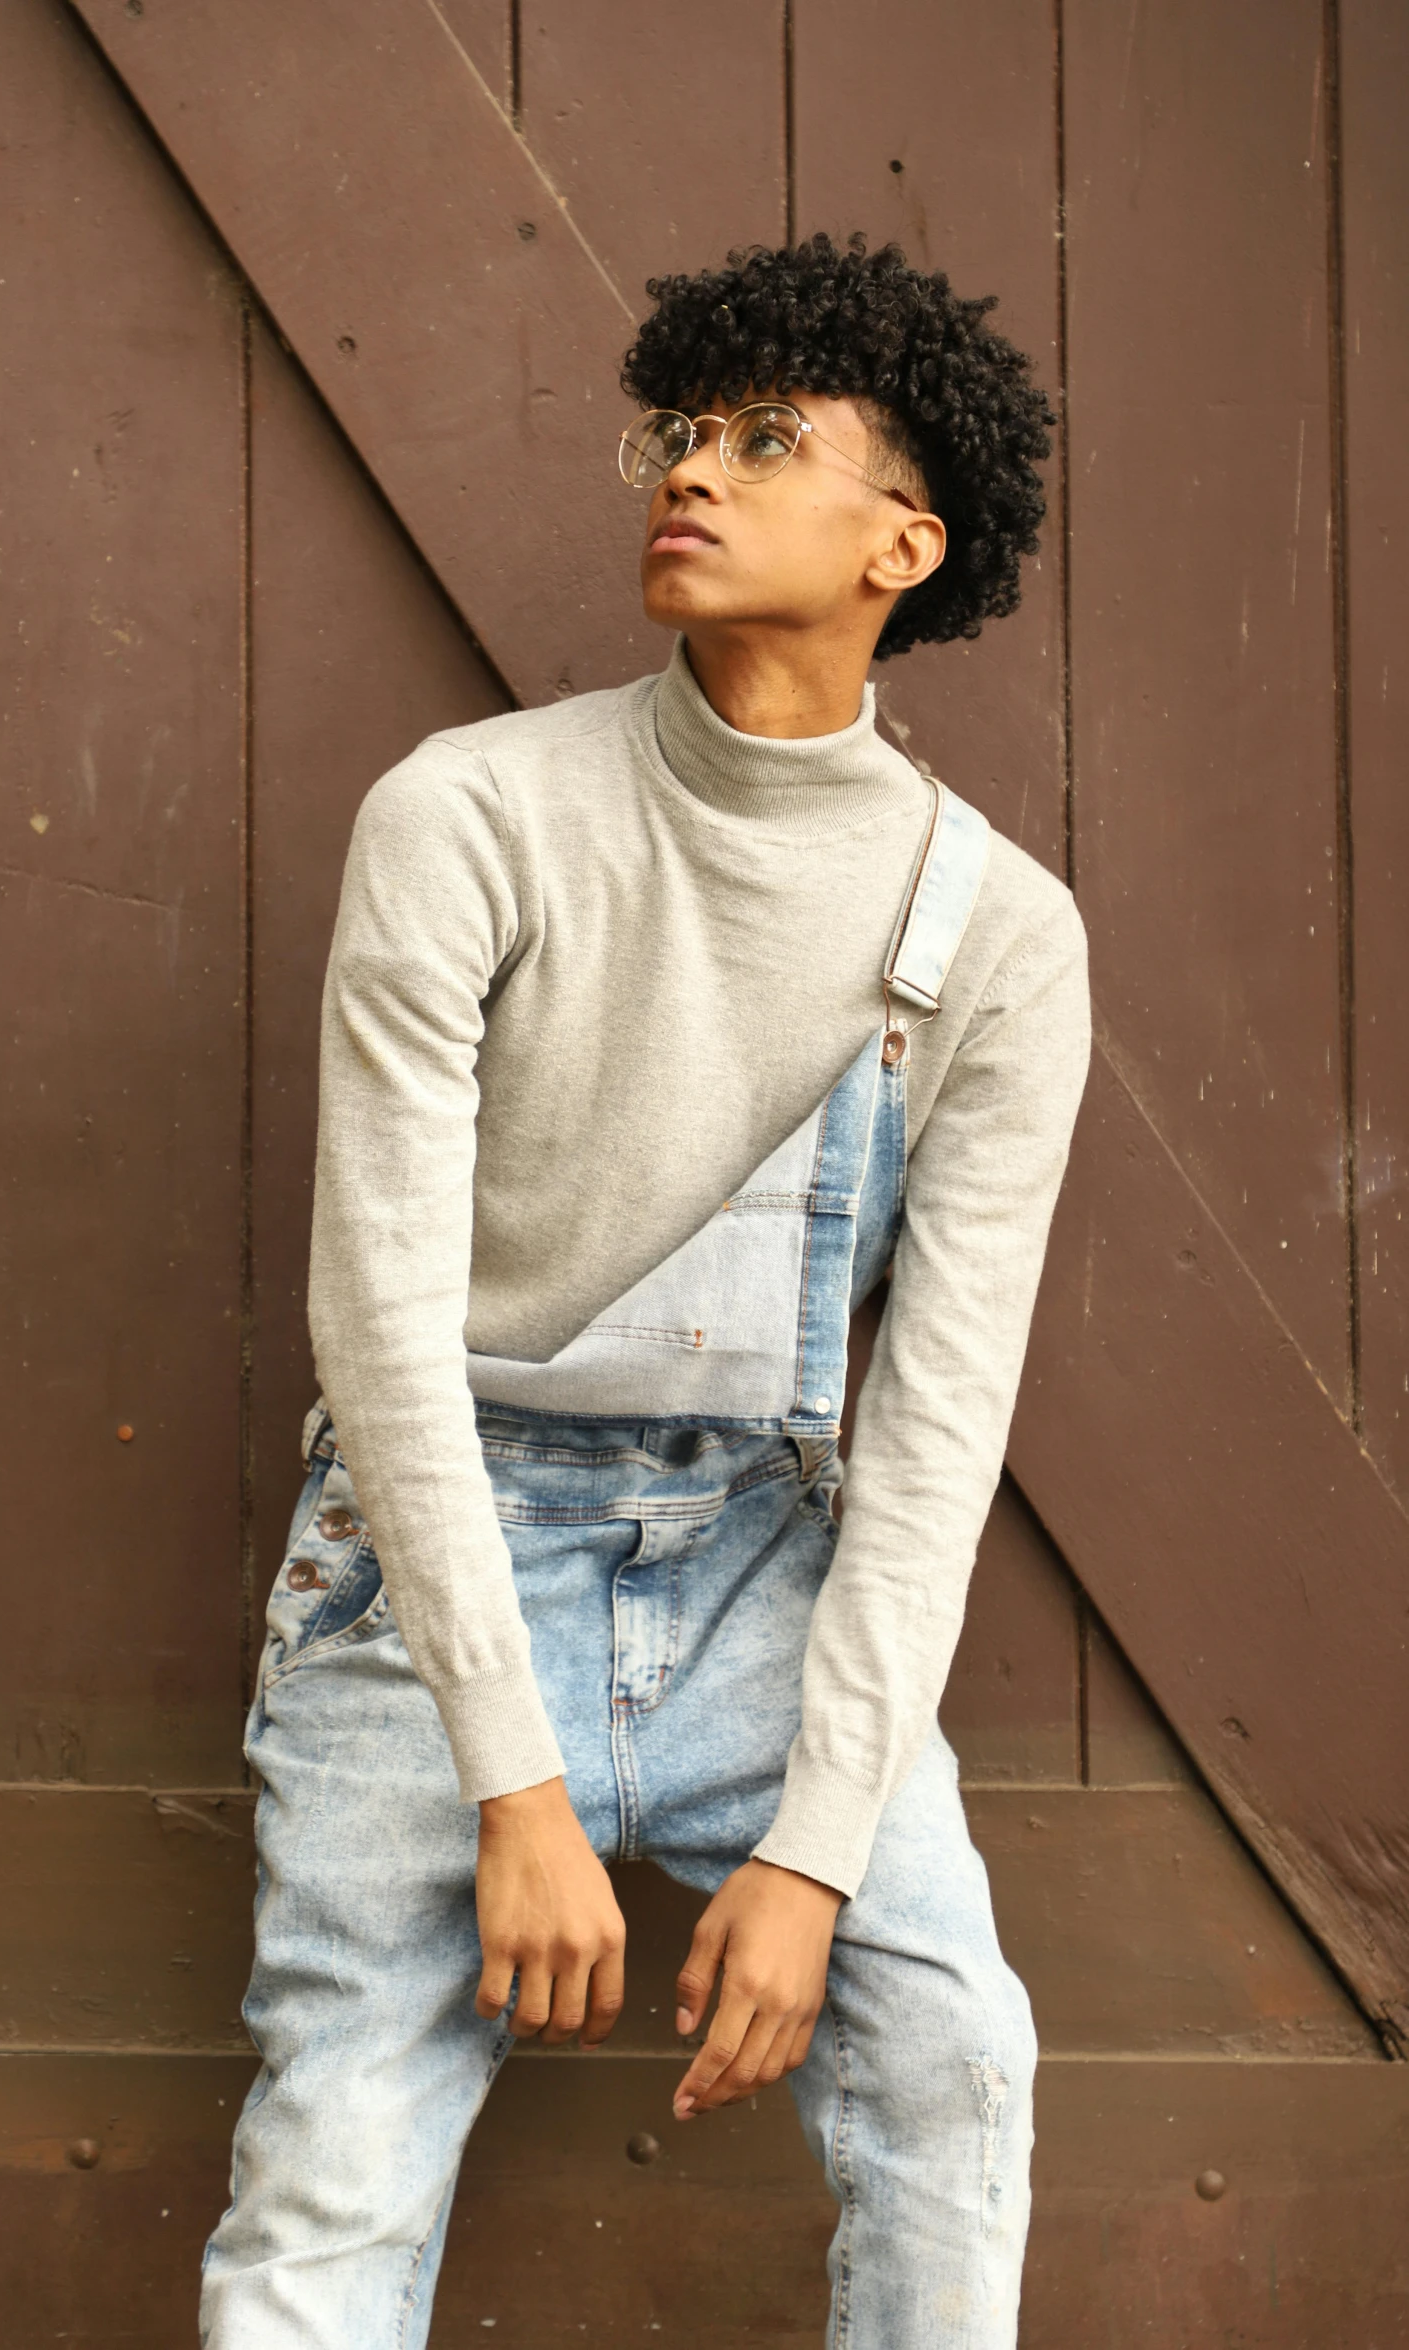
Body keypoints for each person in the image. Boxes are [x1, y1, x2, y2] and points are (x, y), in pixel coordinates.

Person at [201, 232, 1091, 2348]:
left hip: (763, 1572)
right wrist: (511, 1779)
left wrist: (819, 1847)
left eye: (765, 440)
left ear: (907, 539)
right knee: (335, 2159)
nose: (687, 470)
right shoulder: (471, 814)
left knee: (959, 2055)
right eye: (679, 430)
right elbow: (383, 1323)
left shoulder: (1004, 935)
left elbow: (939, 1428)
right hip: (430, 1581)